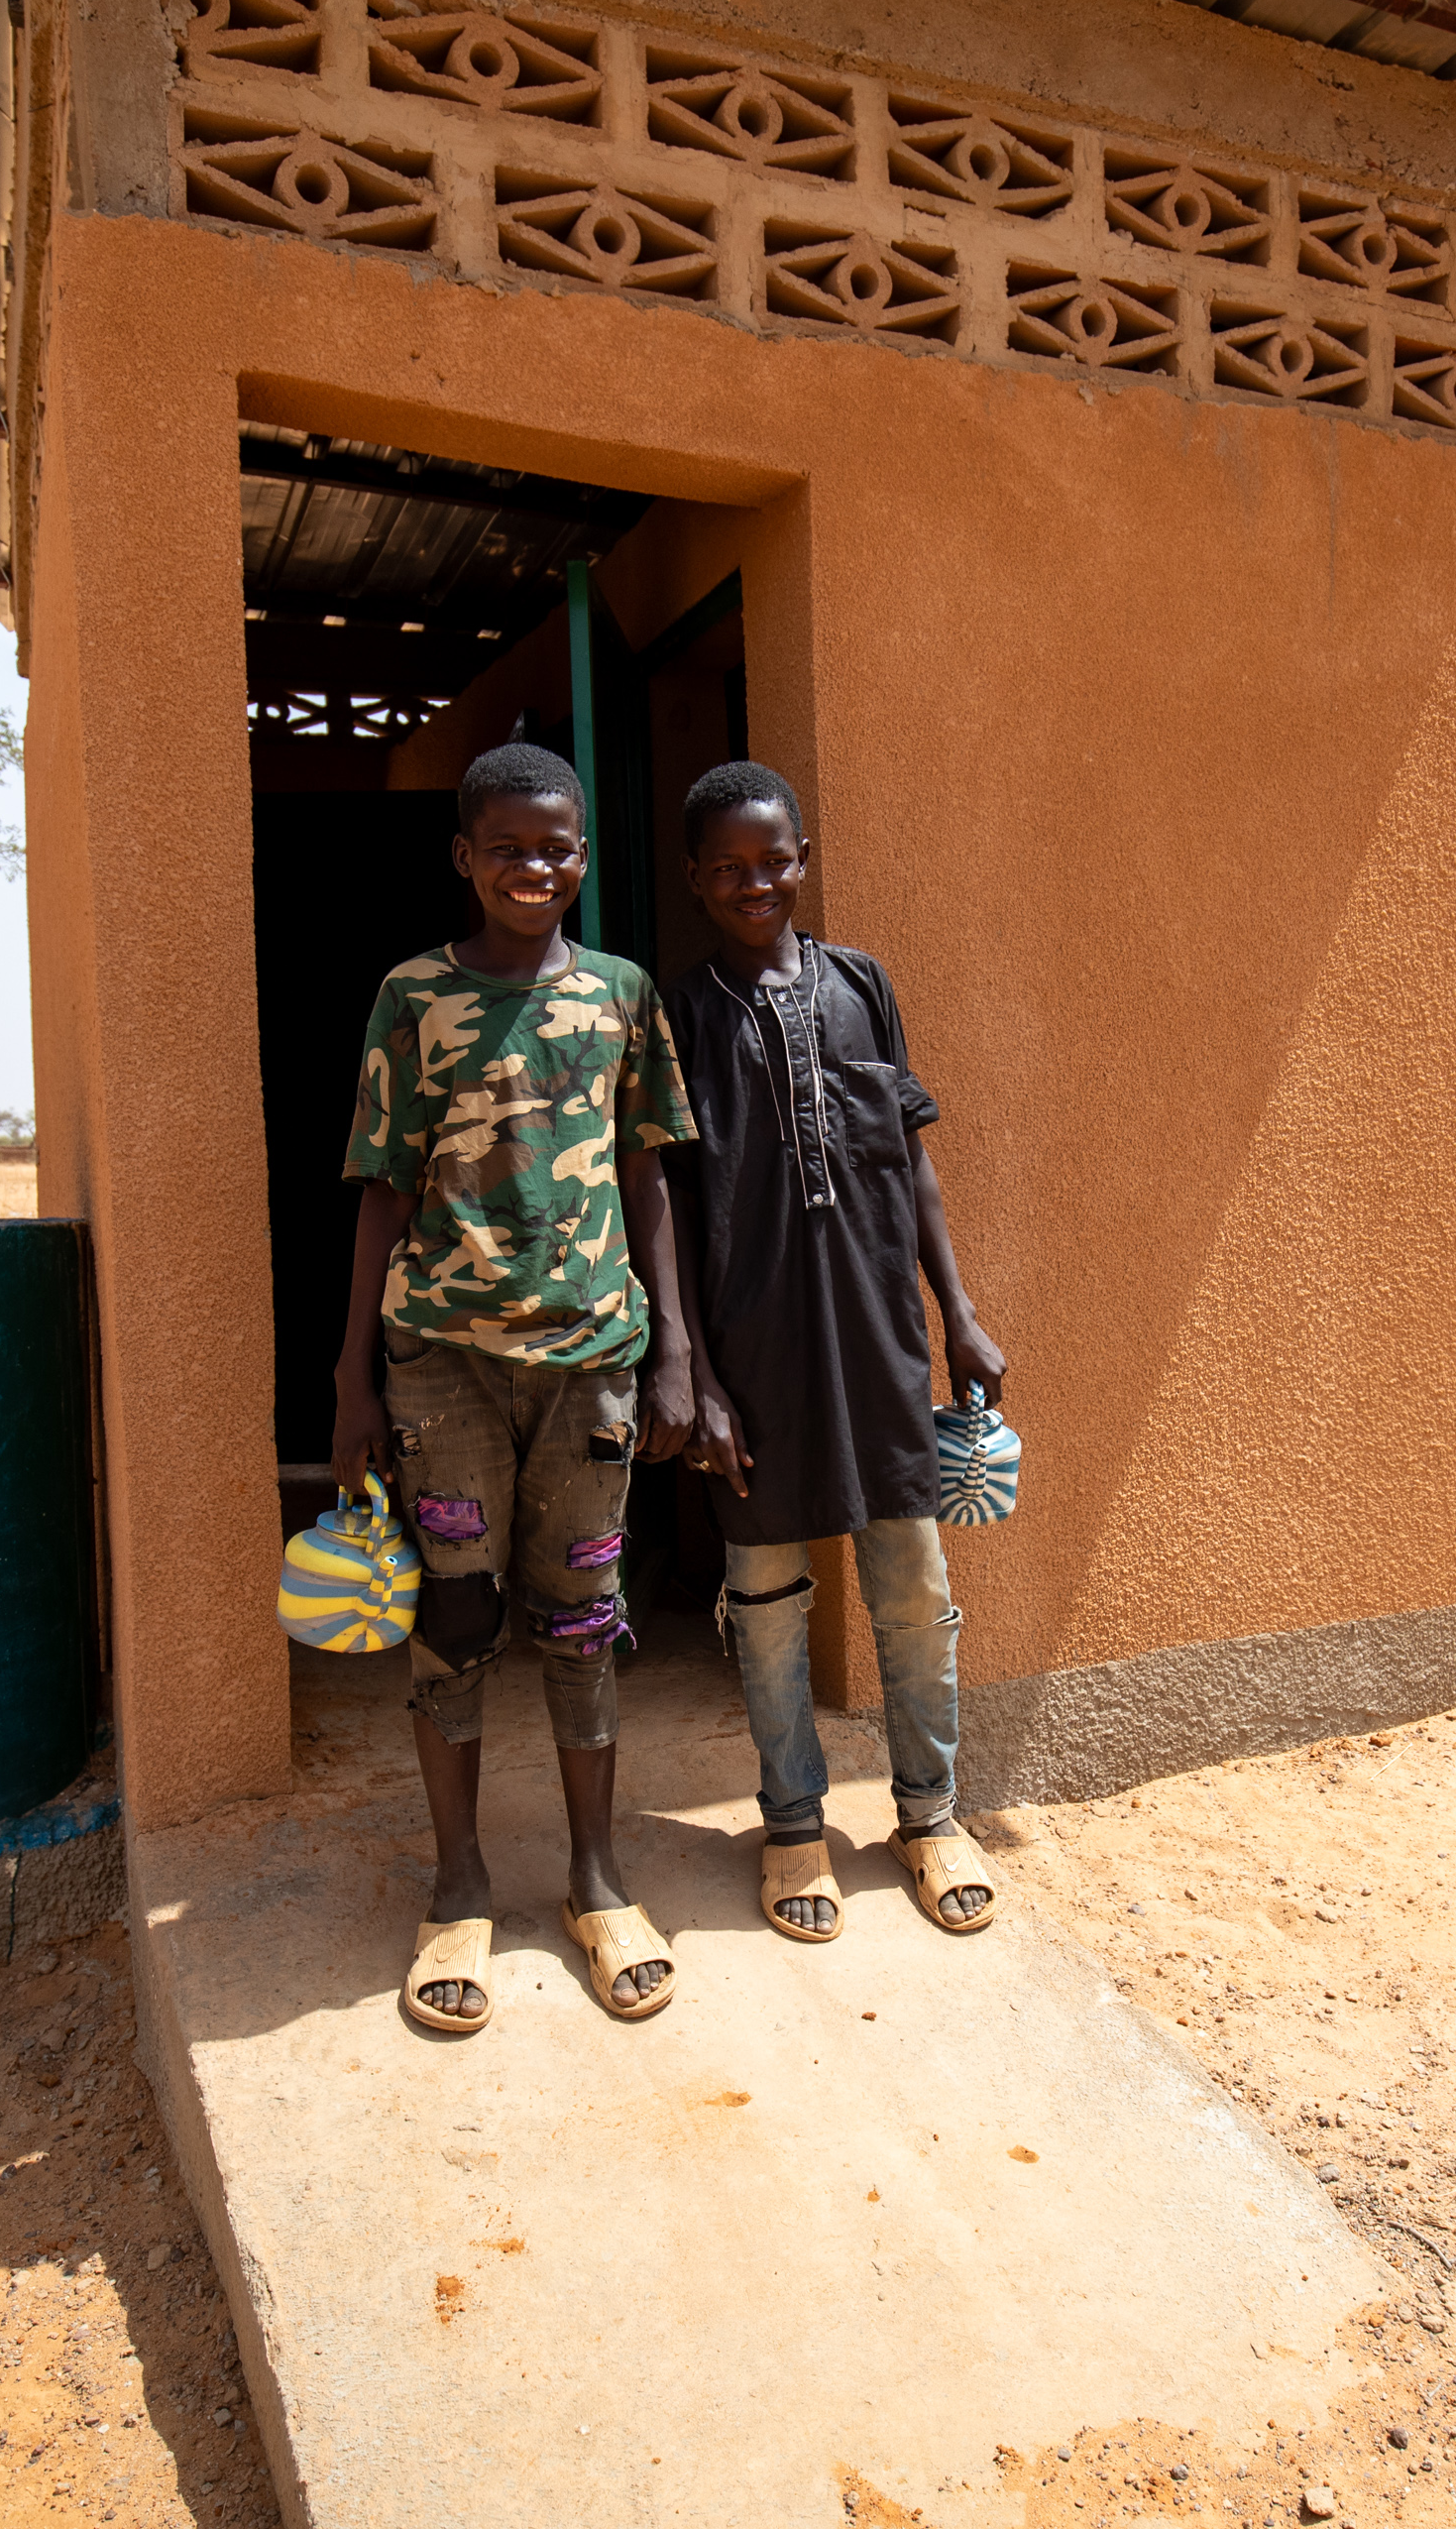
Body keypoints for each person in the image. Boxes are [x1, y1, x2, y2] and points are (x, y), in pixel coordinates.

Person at [333, 741, 706, 2033]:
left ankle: (597, 1877)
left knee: (584, 1610)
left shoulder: (621, 993)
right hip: (441, 1363)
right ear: (464, 858)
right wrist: (350, 1380)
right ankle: (458, 1881)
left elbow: (650, 1171)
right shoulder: (413, 997)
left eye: (557, 847)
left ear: (584, 855)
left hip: (591, 1359)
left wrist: (676, 1350)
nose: (535, 867)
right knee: (455, 1612)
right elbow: (382, 1184)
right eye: (508, 847)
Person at [663, 761, 1010, 1941]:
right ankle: (794, 1821)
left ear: (803, 859)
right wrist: (694, 1372)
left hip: (877, 1338)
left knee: (911, 1587)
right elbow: (663, 1191)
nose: (753, 883)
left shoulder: (862, 983)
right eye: (728, 869)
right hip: (754, 1347)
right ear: (695, 881)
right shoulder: (683, 1013)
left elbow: (907, 1153)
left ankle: (929, 1814)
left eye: (773, 861)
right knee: (765, 1596)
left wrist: (954, 1311)